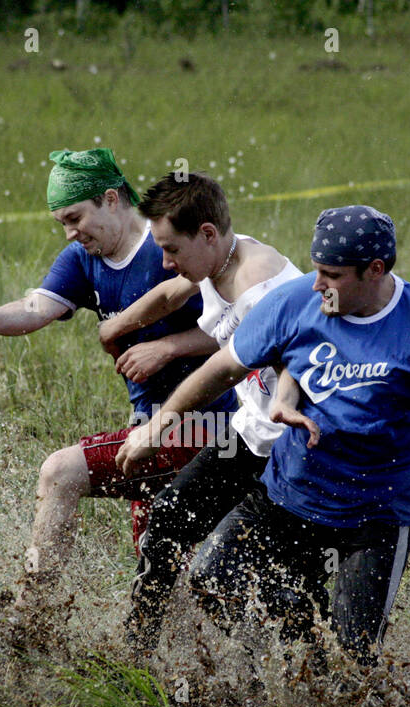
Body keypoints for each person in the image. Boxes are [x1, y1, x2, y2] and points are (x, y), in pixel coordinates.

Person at [119, 205, 410, 671]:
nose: (316, 284)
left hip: (375, 519)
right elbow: (222, 369)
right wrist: (160, 423)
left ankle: (339, 676)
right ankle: (299, 651)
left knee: (354, 664)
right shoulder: (295, 303)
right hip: (286, 500)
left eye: (331, 275)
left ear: (375, 271)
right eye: (315, 270)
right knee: (212, 579)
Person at [0, 148, 237, 601]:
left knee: (60, 473)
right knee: (161, 576)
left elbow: (244, 333)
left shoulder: (173, 247)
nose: (69, 232)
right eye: (61, 222)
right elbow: (38, 306)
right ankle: (177, 664)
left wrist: (168, 347)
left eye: (75, 217)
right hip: (151, 430)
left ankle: (32, 615)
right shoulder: (84, 259)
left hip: (210, 424)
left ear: (111, 199)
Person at [94, 171, 304, 653]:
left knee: (243, 575)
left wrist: (156, 429)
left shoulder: (260, 287)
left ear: (207, 233)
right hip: (252, 433)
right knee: (168, 517)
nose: (166, 263)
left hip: (292, 449)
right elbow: (172, 295)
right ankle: (137, 653)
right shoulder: (216, 260)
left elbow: (222, 371)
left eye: (171, 250)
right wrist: (117, 326)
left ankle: (287, 664)